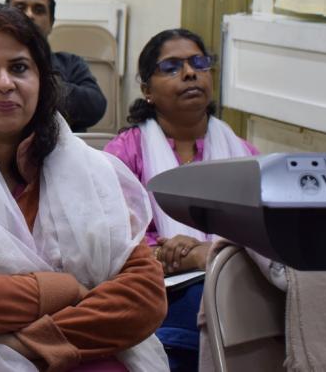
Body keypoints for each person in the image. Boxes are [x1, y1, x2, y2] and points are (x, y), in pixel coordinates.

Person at [0, 2, 168, 371]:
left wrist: (28, 343)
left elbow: (144, 296)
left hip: (85, 357)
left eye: (19, 68)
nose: (5, 83)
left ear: (41, 79)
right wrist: (62, 290)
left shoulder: (90, 170)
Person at [105, 28, 257, 372]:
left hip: (232, 282)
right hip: (154, 287)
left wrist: (210, 254)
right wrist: (176, 256)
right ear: (147, 90)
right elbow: (113, 240)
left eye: (199, 63)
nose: (190, 73)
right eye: (172, 67)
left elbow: (262, 235)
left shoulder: (243, 154)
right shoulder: (124, 154)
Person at [6, 0, 107, 132]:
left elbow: (95, 107)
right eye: (20, 8)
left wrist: (46, 85)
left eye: (39, 10)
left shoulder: (71, 63)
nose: (29, 14)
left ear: (51, 23)